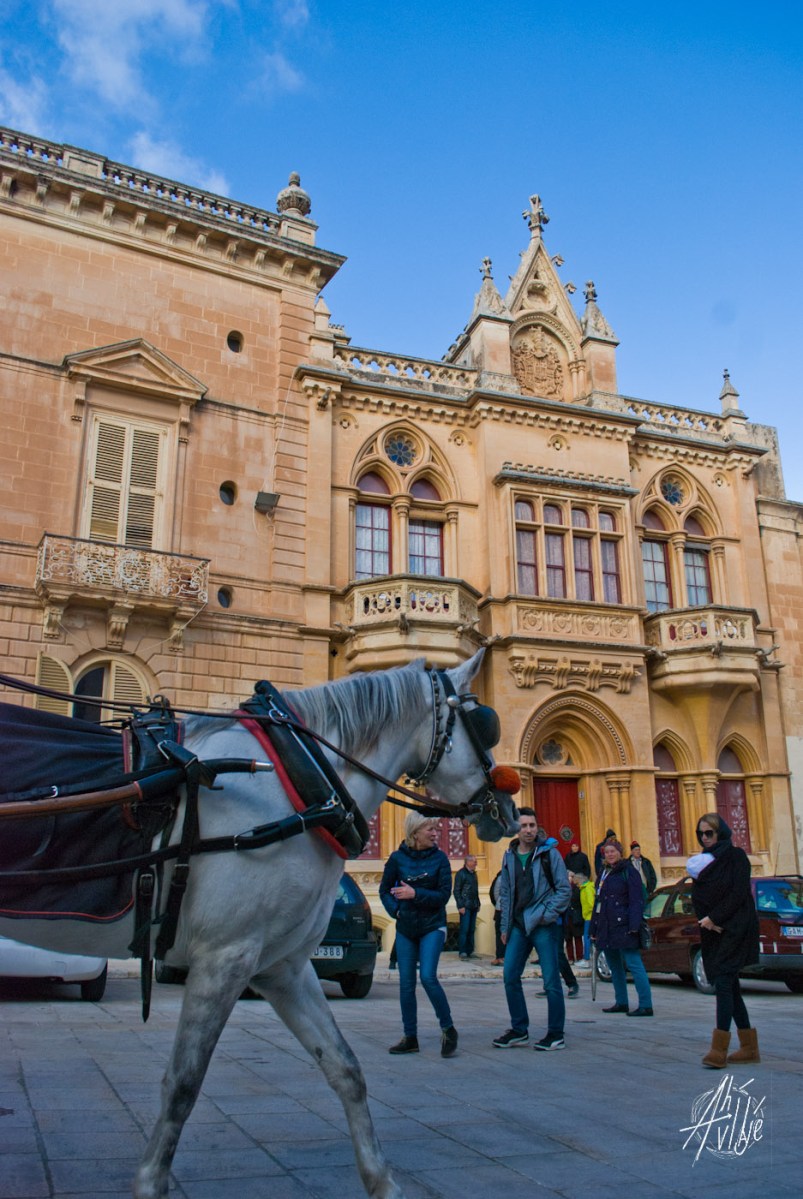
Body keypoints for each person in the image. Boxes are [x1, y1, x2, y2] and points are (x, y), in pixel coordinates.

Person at [379, 813, 458, 1058]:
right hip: (406, 928)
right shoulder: (396, 859)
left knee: (427, 976)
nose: (436, 833)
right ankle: (410, 1037)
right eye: (430, 830)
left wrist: (415, 894)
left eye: (436, 829)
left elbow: (443, 896)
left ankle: (448, 1028)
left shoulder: (440, 859)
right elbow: (384, 891)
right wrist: (397, 911)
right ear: (415, 833)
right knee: (405, 985)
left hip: (432, 925)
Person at [492, 808, 571, 1051]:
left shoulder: (550, 854)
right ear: (516, 828)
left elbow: (564, 890)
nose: (528, 830)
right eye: (524, 825)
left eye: (532, 825)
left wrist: (546, 915)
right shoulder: (509, 856)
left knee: (550, 981)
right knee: (510, 976)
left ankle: (555, 1033)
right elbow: (505, 893)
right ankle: (519, 1030)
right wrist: (505, 926)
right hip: (517, 925)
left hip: (542, 926)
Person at [689, 813, 760, 1068]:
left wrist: (715, 918)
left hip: (735, 928)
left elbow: (739, 892)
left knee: (724, 983)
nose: (705, 838)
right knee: (730, 984)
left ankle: (718, 1050)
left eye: (710, 833)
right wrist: (706, 919)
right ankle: (749, 1047)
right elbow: (697, 894)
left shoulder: (736, 856)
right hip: (713, 929)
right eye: (701, 834)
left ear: (722, 833)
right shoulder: (703, 862)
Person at [590, 839, 654, 1016]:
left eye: (613, 851)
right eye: (607, 852)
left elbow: (636, 900)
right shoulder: (604, 873)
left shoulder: (629, 871)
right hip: (607, 926)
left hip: (624, 925)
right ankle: (621, 1001)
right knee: (614, 966)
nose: (610, 854)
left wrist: (634, 925)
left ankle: (646, 1004)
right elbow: (598, 902)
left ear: (619, 852)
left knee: (634, 964)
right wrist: (594, 929)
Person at [454, 854, 481, 959]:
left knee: (471, 929)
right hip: (465, 906)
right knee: (464, 929)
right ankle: (463, 951)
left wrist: (478, 903)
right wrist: (460, 905)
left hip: (473, 905)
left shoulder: (474, 874)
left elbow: (475, 890)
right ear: (468, 862)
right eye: (474, 861)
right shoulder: (461, 874)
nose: (476, 863)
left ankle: (470, 950)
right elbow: (456, 891)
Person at [575, 871, 595, 962]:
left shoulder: (586, 889)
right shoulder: (588, 887)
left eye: (577, 883)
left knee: (587, 937)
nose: (577, 886)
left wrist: (587, 912)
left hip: (589, 917)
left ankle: (587, 958)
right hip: (589, 916)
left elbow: (591, 903)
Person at [490, 869, 505, 964]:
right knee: (500, 933)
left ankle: (503, 956)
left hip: (506, 909)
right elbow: (495, 893)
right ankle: (500, 956)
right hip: (502, 909)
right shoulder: (501, 877)